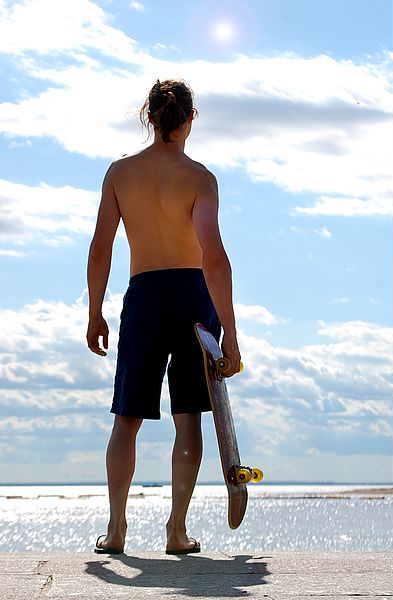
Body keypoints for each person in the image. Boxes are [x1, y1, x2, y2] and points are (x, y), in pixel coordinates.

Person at [86, 78, 241, 555]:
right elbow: (213, 256)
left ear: (149, 117)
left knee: (126, 419)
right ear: (190, 119)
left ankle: (115, 530)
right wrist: (231, 336)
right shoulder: (200, 179)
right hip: (193, 297)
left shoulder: (120, 174)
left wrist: (95, 313)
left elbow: (101, 248)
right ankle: (176, 531)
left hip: (145, 295)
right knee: (188, 417)